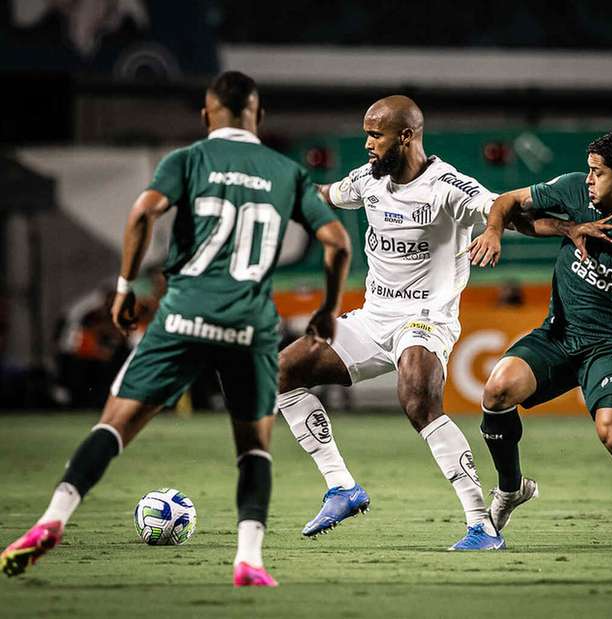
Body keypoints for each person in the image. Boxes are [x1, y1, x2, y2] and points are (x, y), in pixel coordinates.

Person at [1, 71, 352, 585]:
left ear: (207, 115)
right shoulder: (286, 172)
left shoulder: (187, 160)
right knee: (253, 444)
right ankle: (249, 559)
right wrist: (327, 308)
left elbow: (143, 213)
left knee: (114, 424)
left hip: (184, 312)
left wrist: (124, 287)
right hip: (250, 324)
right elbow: (338, 241)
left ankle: (51, 520)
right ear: (259, 116)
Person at [277, 95, 505, 550]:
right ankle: (341, 487)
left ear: (406, 137)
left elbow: (504, 208)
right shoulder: (368, 181)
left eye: (375, 135)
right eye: (366, 133)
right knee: (282, 371)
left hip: (425, 319)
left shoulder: (447, 186)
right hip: (373, 318)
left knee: (417, 396)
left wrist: (566, 230)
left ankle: (481, 524)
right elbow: (327, 195)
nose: (367, 144)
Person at [467, 129, 612, 552]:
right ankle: (511, 488)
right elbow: (506, 202)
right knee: (497, 390)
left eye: (598, 173)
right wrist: (501, 231)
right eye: (589, 171)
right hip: (559, 335)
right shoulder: (574, 189)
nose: (588, 180)